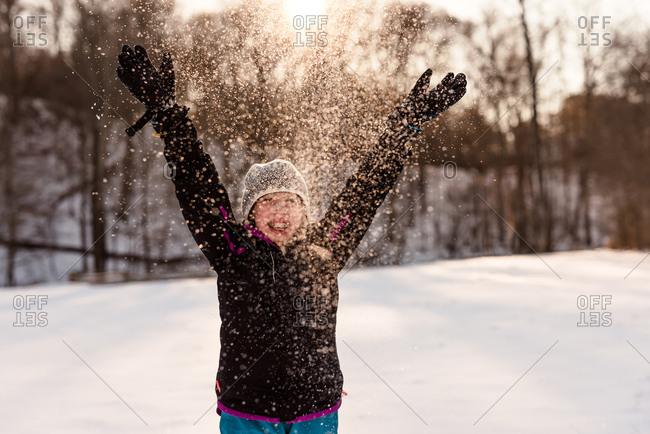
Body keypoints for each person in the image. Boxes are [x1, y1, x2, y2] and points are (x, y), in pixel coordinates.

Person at [117, 44, 466, 434]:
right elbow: (199, 186)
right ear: (250, 213)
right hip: (248, 414)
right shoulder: (232, 250)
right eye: (268, 202)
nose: (280, 212)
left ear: (303, 209)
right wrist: (168, 114)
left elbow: (367, 190)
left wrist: (406, 125)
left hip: (316, 413)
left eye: (290, 201)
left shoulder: (326, 248)